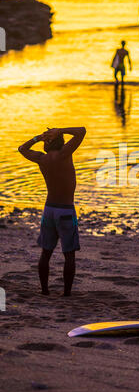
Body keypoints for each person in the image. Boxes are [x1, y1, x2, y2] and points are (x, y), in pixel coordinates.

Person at [18, 126, 86, 297]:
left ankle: (45, 290)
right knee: (69, 255)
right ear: (60, 140)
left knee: (46, 252)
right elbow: (81, 131)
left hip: (49, 210)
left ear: (49, 142)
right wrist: (60, 130)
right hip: (65, 211)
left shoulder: (42, 158)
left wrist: (38, 137)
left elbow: (22, 149)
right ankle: (67, 293)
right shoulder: (64, 153)